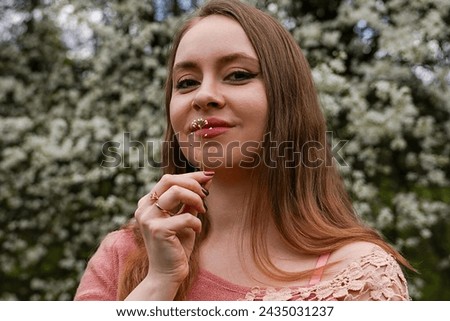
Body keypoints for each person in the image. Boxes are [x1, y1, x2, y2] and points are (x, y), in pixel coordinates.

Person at [74, 0, 412, 301]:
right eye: (187, 82)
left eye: (237, 74)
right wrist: (157, 284)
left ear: (287, 98)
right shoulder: (123, 256)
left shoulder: (359, 276)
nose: (203, 96)